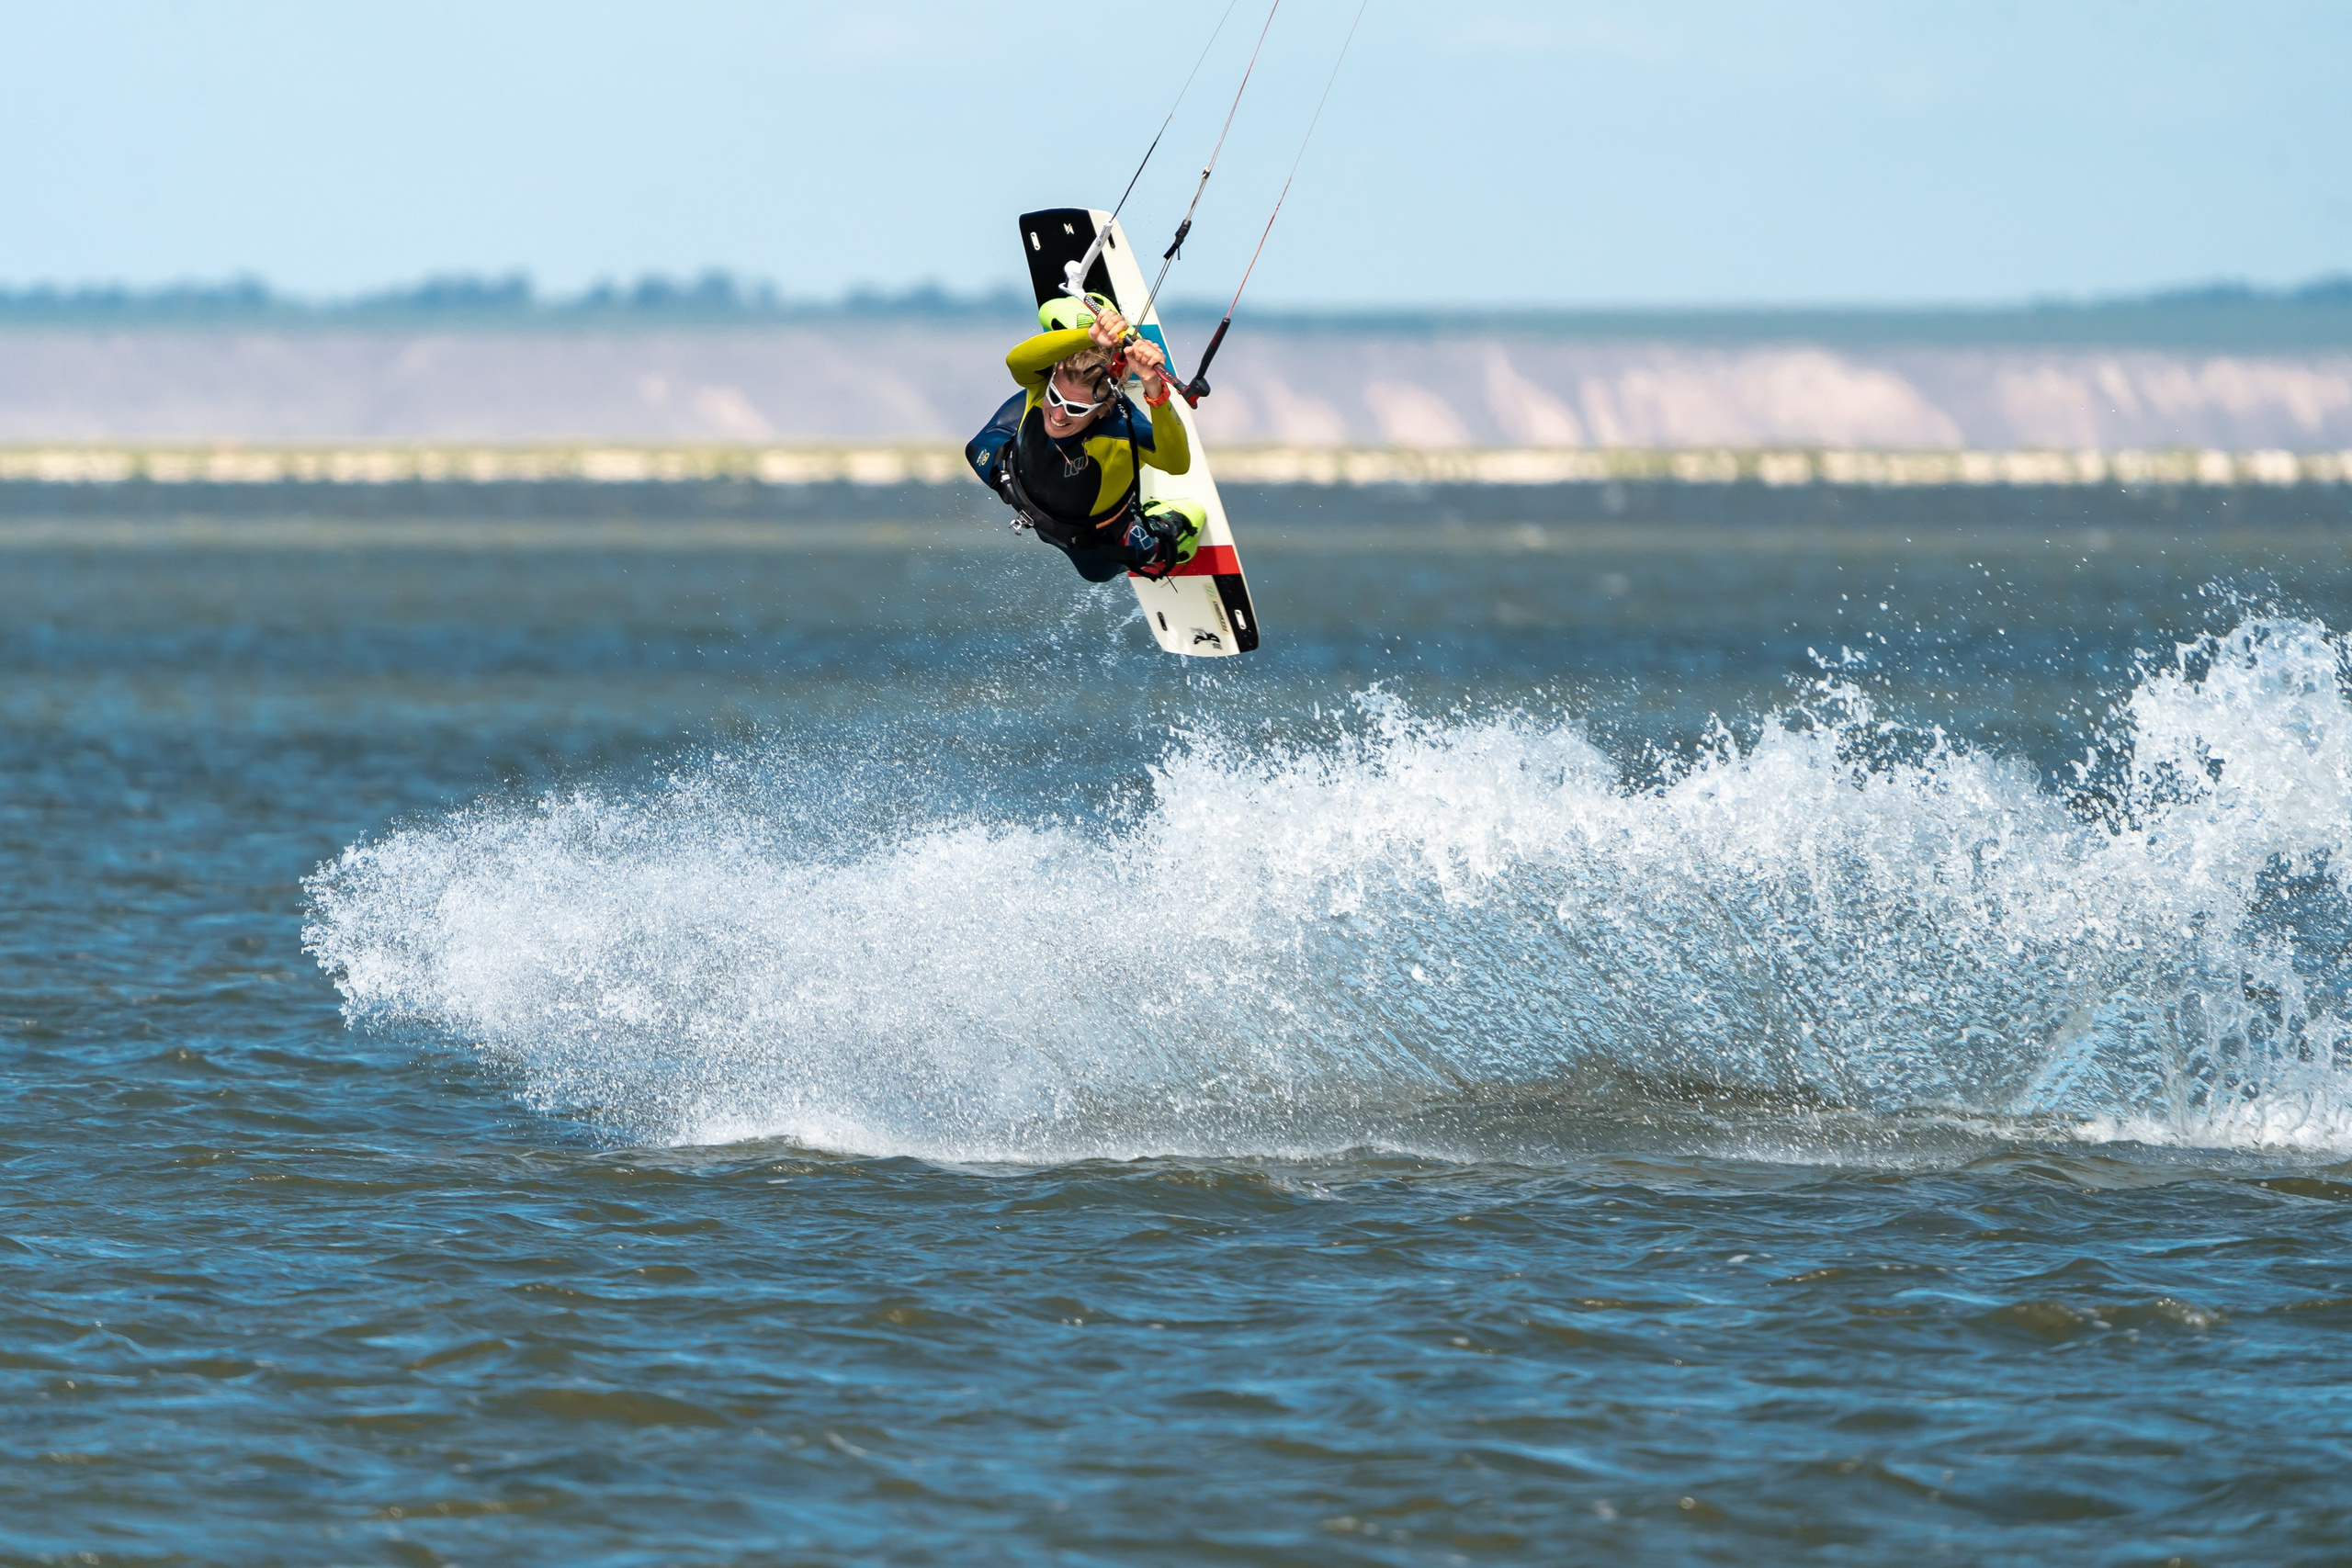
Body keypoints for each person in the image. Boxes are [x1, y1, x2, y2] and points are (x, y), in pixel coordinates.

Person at [966, 295, 1206, 581]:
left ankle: (1167, 534)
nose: (1058, 414)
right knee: (977, 450)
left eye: (1076, 409)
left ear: (1104, 409)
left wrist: (1154, 388)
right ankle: (1086, 332)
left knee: (1099, 573)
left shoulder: (1119, 429)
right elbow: (1016, 361)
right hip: (1013, 475)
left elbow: (1176, 464)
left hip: (1081, 533)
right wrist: (1088, 337)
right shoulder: (1046, 388)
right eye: (1055, 396)